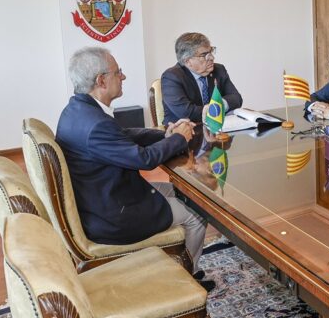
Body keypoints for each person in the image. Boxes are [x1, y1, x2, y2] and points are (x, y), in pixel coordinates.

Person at [56, 47, 215, 291]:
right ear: (101, 80)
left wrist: (164, 134)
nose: (123, 77)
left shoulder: (77, 110)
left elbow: (122, 135)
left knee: (187, 194)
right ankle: (185, 282)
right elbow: (145, 159)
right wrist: (179, 138)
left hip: (105, 198)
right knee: (197, 215)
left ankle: (180, 263)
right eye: (118, 72)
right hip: (114, 215)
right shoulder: (95, 124)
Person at [161, 32, 242, 126]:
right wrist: (214, 111)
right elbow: (187, 112)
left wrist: (218, 105)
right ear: (188, 61)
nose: (211, 57)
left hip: (216, 129)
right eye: (204, 55)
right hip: (183, 134)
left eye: (211, 51)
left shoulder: (219, 70)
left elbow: (236, 98)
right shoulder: (171, 77)